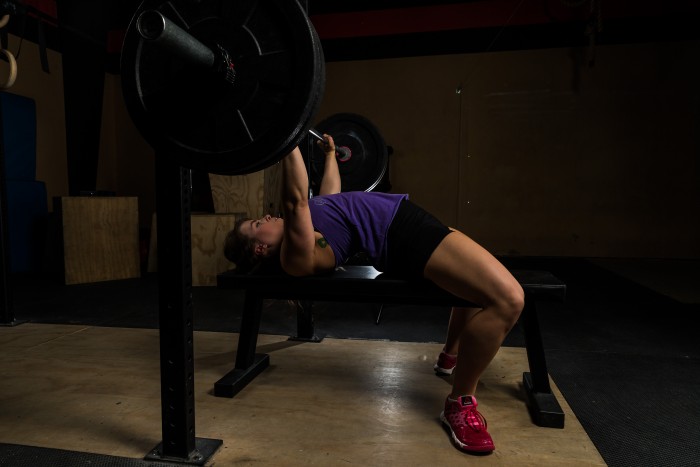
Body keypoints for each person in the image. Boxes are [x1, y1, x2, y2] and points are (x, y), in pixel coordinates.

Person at [224, 134, 524, 454]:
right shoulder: (296, 255)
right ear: (259, 248)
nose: (267, 217)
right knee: (507, 299)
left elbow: (331, 196)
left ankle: (450, 357)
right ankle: (459, 405)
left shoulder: (311, 227)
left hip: (403, 224)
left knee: (475, 288)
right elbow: (294, 200)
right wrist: (288, 139)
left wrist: (328, 156)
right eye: (258, 223)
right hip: (400, 235)